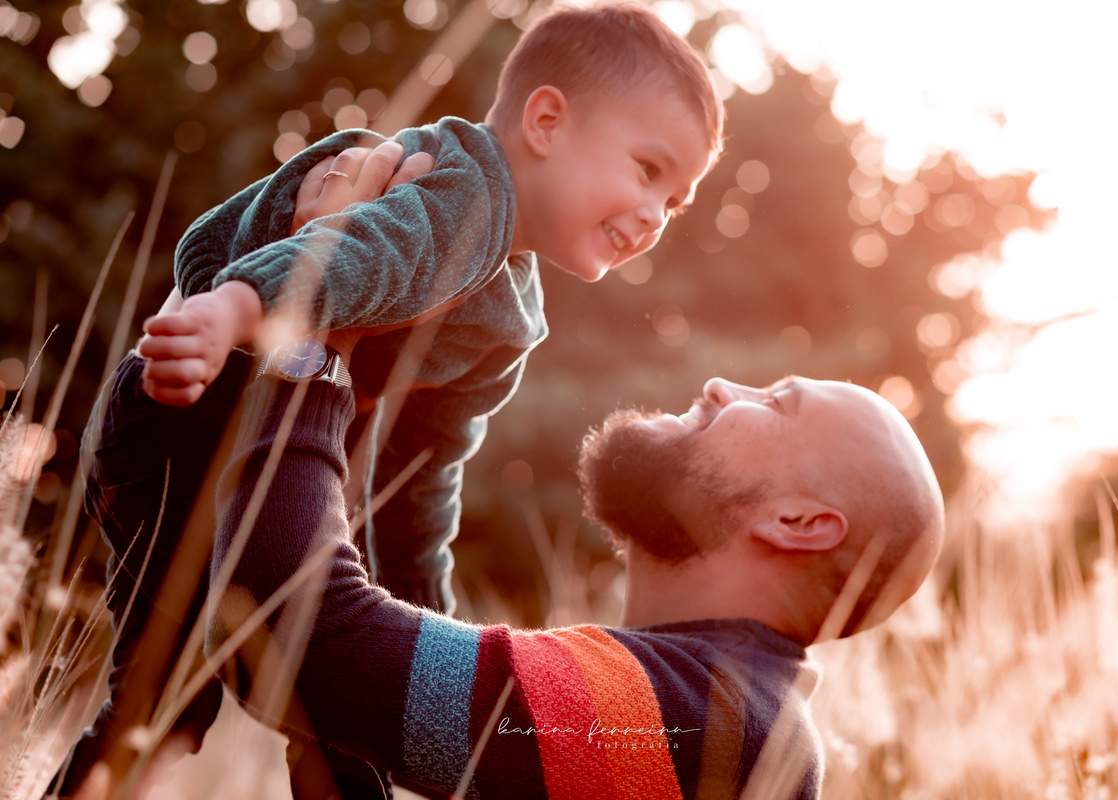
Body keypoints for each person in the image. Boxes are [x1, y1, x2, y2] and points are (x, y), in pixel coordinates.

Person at [55, 5, 722, 796]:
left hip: (264, 461)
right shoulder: (460, 190)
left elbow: (422, 473)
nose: (653, 217)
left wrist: (423, 620)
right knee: (169, 701)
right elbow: (360, 252)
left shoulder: (511, 316)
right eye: (649, 171)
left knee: (304, 728)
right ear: (546, 121)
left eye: (674, 204)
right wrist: (235, 307)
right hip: (179, 427)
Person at [204, 345, 945, 799]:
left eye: (776, 403)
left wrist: (306, 349)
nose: (724, 385)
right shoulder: (717, 713)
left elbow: (301, 642)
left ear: (798, 523)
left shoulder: (706, 721)